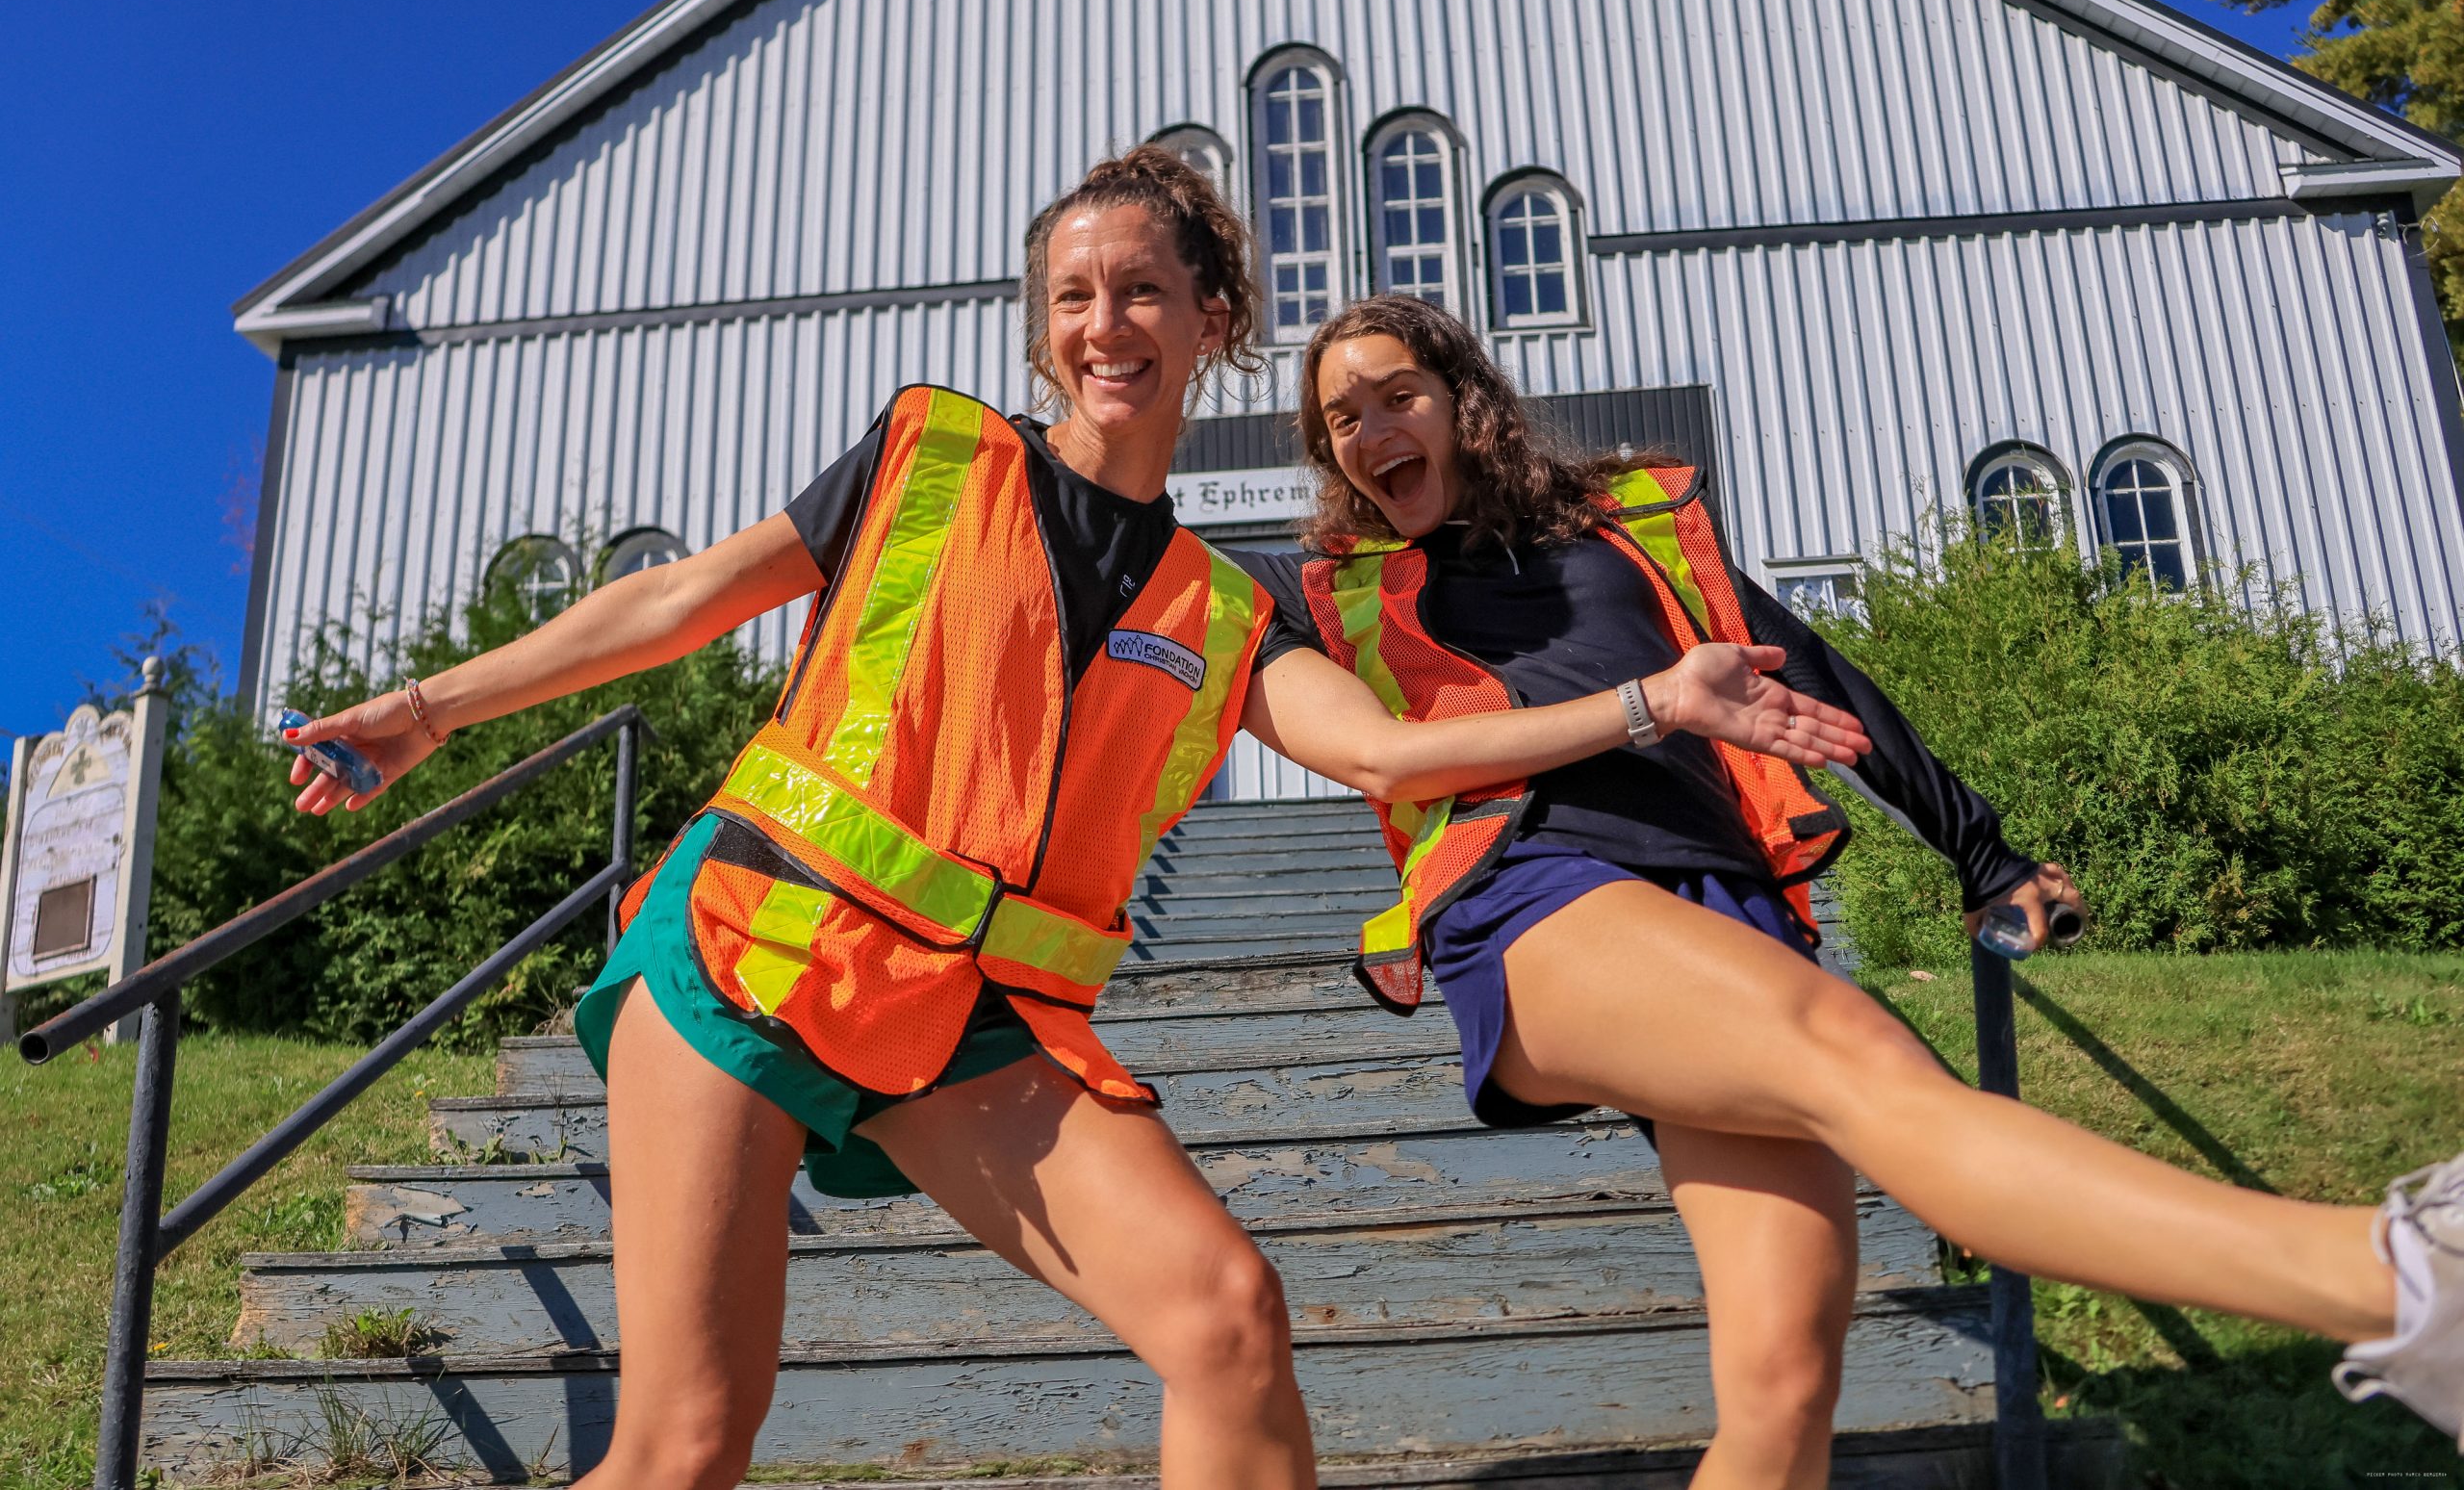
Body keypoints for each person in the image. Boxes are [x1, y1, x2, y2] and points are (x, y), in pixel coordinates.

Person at [279, 149, 1875, 1490]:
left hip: (965, 1016)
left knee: (1227, 1315)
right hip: (751, 946)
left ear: (1212, 320)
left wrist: (1655, 700)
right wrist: (431, 708)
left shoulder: (1224, 603)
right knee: (686, 1443)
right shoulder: (930, 453)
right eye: (1072, 295)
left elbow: (1398, 756)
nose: (1104, 324)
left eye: (1141, 291)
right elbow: (680, 600)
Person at [1233, 293, 2464, 1487]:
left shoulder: (1622, 528)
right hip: (1534, 885)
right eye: (1342, 418)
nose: (1372, 429)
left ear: (1463, 402)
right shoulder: (1324, 590)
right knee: (1861, 1054)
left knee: (1784, 1389)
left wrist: (1981, 854)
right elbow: (1174, 593)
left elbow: (1811, 676)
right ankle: (2397, 1280)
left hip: (1722, 894)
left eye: (1398, 395)